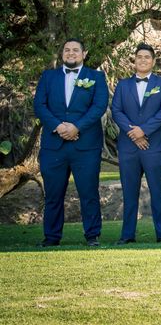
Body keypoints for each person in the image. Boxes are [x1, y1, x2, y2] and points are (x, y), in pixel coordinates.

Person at [33, 38, 108, 247]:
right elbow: (39, 105)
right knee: (53, 194)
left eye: (76, 50)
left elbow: (99, 105)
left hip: (86, 146)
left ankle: (92, 235)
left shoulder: (96, 77)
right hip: (53, 145)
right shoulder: (49, 77)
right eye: (67, 50)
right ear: (62, 54)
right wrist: (59, 127)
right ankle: (51, 237)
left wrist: (76, 127)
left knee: (88, 192)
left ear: (84, 53)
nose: (71, 53)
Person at [111, 43, 161, 244]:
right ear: (134, 60)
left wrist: (144, 130)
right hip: (129, 146)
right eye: (139, 56)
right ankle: (127, 234)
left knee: (158, 191)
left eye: (147, 57)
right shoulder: (123, 85)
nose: (143, 60)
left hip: (154, 145)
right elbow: (116, 111)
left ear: (153, 61)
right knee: (129, 192)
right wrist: (134, 133)